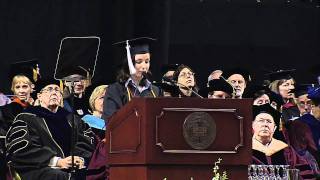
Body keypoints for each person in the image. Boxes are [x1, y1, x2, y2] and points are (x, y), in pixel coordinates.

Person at [5, 78, 95, 180]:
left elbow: (87, 140)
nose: (54, 93)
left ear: (61, 96)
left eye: (57, 90)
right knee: (57, 175)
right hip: (40, 167)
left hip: (74, 166)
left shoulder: (72, 119)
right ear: (39, 96)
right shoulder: (27, 117)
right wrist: (57, 161)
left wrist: (79, 158)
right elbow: (21, 148)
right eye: (49, 89)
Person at [102, 37, 162, 120]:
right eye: (139, 62)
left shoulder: (156, 91)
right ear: (128, 63)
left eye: (147, 61)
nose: (144, 66)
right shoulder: (115, 90)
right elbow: (111, 121)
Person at [252, 104, 316, 179]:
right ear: (252, 125)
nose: (265, 125)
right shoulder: (243, 151)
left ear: (274, 128)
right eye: (261, 121)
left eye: (269, 121)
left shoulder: (286, 150)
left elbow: (304, 172)